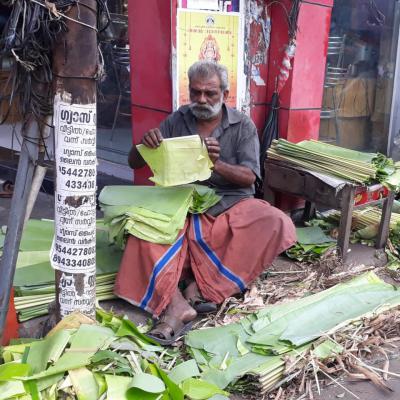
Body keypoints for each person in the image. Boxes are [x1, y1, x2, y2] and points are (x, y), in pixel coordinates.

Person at [114, 60, 296, 344]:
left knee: (275, 221)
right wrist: (144, 145)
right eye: (195, 92)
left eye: (209, 93)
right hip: (181, 203)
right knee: (142, 234)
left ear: (225, 94)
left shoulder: (242, 125)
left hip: (229, 202)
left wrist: (216, 164)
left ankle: (201, 289)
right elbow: (133, 162)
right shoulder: (178, 120)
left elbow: (249, 177)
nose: (201, 99)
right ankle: (176, 305)